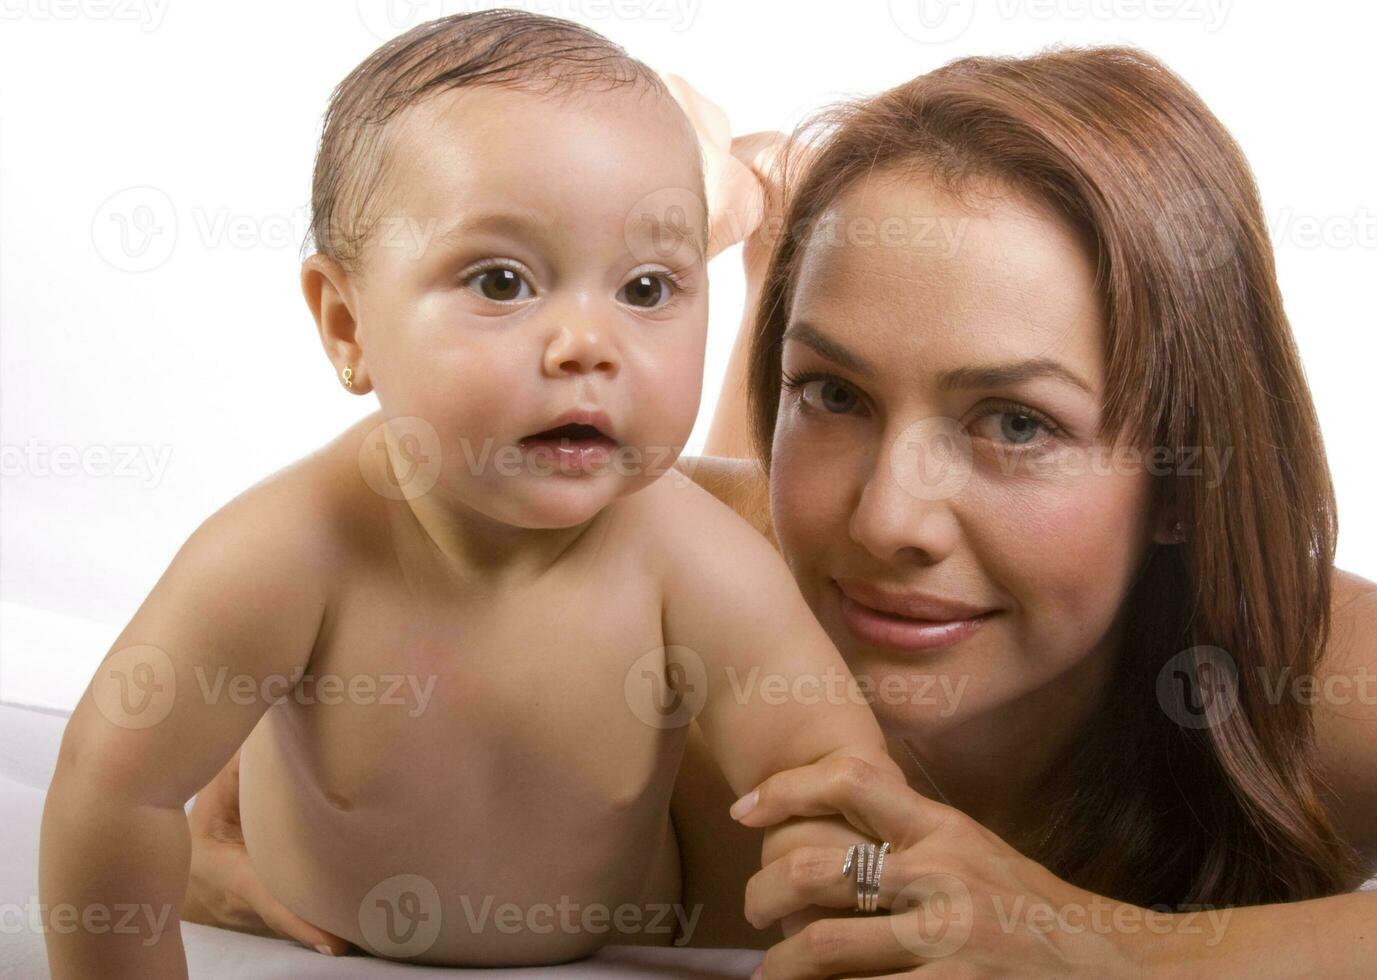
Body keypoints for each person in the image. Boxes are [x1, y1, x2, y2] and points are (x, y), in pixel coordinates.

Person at [190, 44, 1377, 977]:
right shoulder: (615, 556)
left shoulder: (1292, 667)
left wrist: (1105, 947)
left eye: (1016, 422)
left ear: (1189, 470)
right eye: (833, 389)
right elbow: (300, 598)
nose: (893, 517)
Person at [38, 11, 899, 975]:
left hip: (632, 927)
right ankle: (723, 196)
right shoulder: (288, 550)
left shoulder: (692, 558)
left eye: (649, 290)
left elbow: (831, 776)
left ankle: (745, 205)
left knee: (752, 487)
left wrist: (832, 885)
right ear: (347, 325)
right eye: (500, 280)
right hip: (328, 918)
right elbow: (112, 788)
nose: (587, 343)